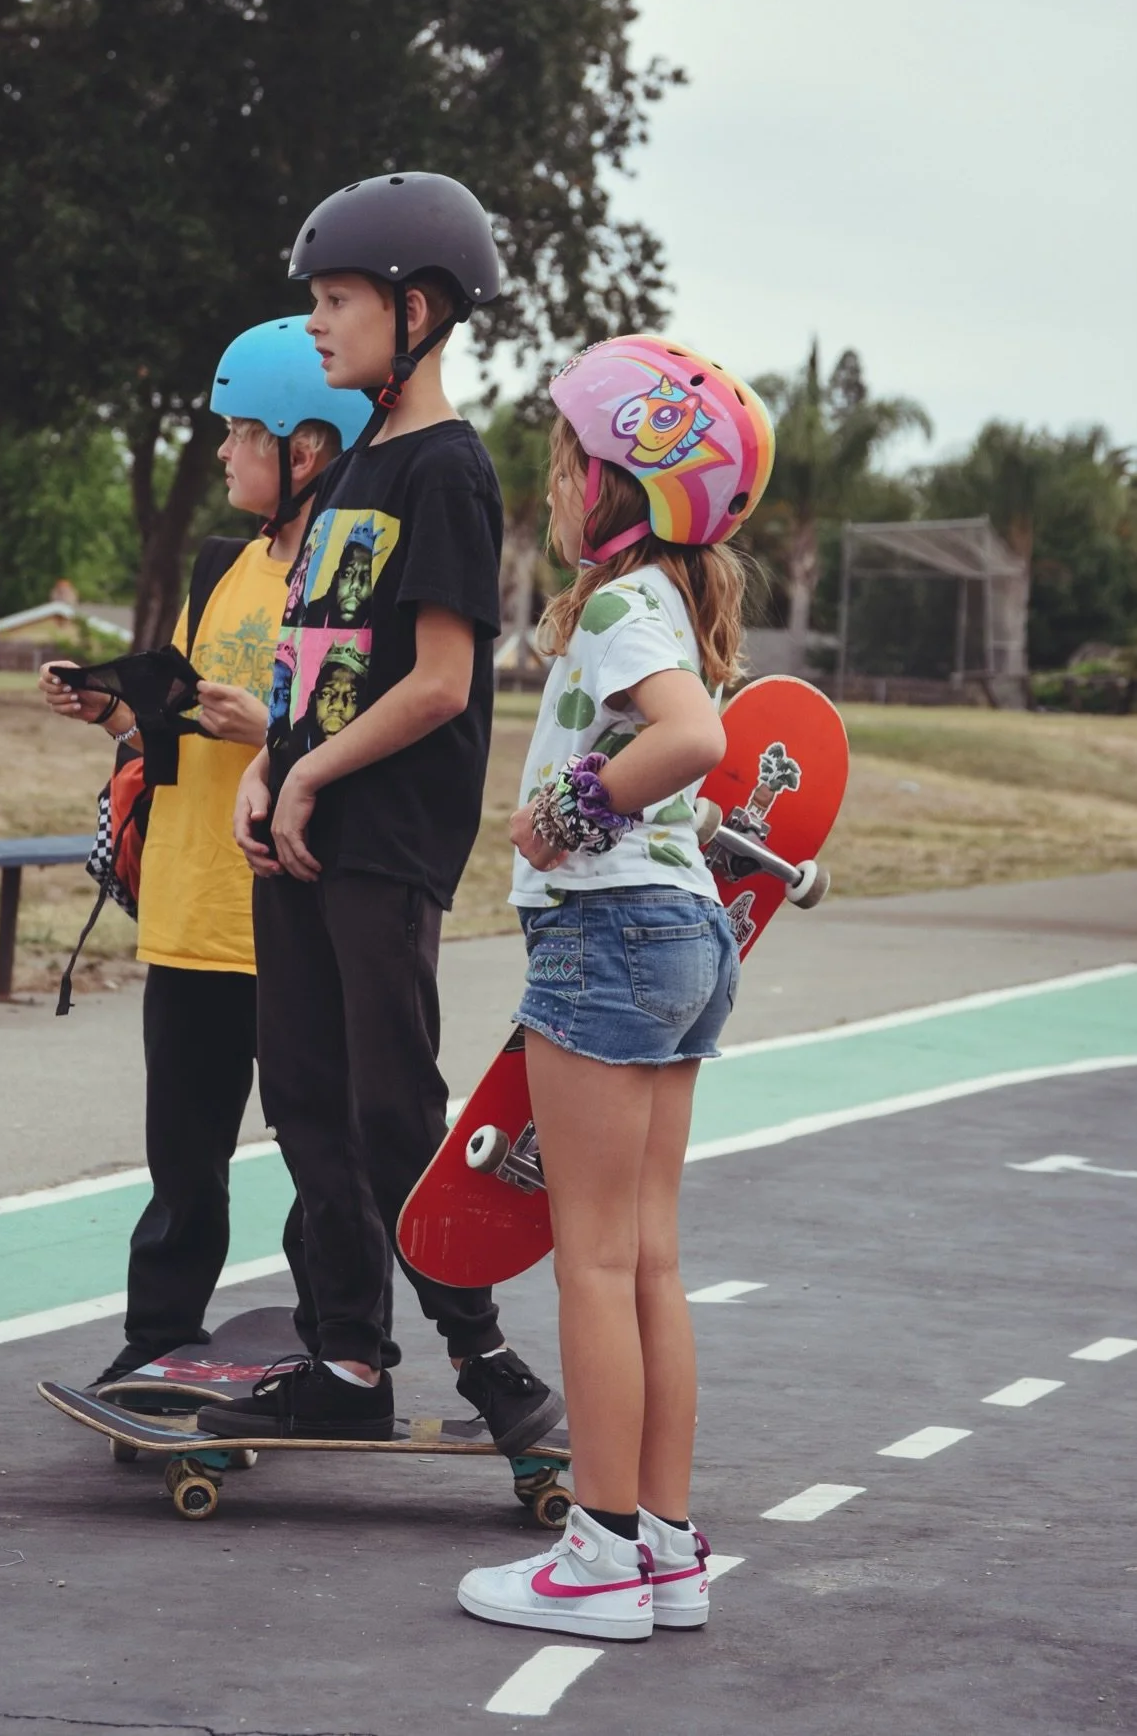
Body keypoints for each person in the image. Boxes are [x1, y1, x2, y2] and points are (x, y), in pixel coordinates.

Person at [208, 172, 562, 1454]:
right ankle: (349, 1354)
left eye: (339, 299)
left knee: (391, 1102)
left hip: (384, 836)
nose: (318, 323)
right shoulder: (356, 457)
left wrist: (305, 773)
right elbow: (315, 649)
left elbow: (443, 683)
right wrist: (266, 768)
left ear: (417, 309)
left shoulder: (449, 474)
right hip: (302, 822)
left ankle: (488, 1357)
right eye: (316, 300)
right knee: (301, 1088)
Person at [456, 334, 775, 1641]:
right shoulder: (669, 608)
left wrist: (565, 811)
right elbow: (699, 760)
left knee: (588, 1260)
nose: (554, 481)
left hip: (608, 937)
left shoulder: (615, 604)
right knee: (644, 1259)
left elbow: (695, 739)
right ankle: (664, 1548)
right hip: (686, 939)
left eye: (570, 459)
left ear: (623, 485)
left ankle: (593, 1555)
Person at [38, 315, 375, 1389]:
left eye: (240, 431)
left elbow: (362, 731)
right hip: (189, 907)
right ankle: (159, 1335)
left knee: (323, 1156)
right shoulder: (224, 563)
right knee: (181, 1159)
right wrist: (115, 710)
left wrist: (267, 735)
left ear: (306, 449)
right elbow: (182, 717)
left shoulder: (349, 571)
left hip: (284, 911)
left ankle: (339, 1343)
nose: (223, 451)